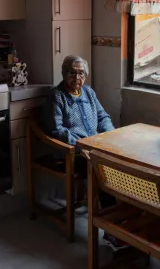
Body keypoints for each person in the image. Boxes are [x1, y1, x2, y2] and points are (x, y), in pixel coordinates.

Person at [44, 55, 124, 248]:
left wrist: (110, 135)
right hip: (70, 153)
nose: (76, 77)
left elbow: (103, 116)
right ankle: (111, 230)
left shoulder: (88, 92)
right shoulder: (56, 96)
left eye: (81, 73)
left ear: (86, 76)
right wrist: (82, 146)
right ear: (64, 74)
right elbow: (57, 130)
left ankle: (122, 224)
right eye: (72, 72)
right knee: (103, 170)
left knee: (122, 164)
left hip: (93, 148)